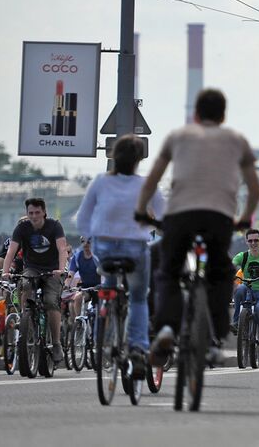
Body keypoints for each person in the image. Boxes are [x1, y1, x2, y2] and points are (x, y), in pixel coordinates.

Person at [138, 88, 259, 367]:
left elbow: (151, 181)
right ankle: (215, 337)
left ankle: (166, 327)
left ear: (195, 113)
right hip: (218, 219)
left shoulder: (178, 136)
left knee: (167, 270)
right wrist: (245, 218)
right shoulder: (237, 140)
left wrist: (141, 212)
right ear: (223, 115)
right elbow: (254, 189)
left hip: (180, 216)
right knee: (221, 272)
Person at [76, 135, 163, 371]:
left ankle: (99, 342)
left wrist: (92, 239)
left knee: (107, 289)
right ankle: (137, 347)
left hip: (104, 249)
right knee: (137, 297)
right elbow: (164, 216)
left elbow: (82, 218)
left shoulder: (100, 182)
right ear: (138, 160)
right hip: (135, 249)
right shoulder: (147, 184)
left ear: (113, 157)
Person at [2, 197, 71, 363]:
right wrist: (5, 272)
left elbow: (62, 249)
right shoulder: (22, 228)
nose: (34, 216)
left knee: (50, 301)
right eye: (30, 213)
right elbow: (11, 251)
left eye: (37, 212)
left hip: (53, 269)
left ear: (44, 212)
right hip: (32, 268)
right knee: (24, 283)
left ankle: (56, 344)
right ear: (26, 213)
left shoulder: (54, 226)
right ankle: (26, 318)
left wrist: (61, 270)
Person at [66, 237, 100, 319]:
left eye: (88, 241)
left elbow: (103, 273)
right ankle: (79, 322)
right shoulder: (77, 257)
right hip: (86, 287)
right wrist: (67, 285)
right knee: (78, 297)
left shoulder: (98, 256)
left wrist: (102, 284)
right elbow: (70, 274)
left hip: (99, 287)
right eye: (83, 241)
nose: (85, 244)